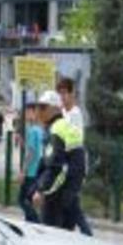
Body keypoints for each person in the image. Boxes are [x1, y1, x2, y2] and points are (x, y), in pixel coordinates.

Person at [32, 90, 86, 231]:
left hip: (56, 198)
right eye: (38, 107)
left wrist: (42, 190)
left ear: (55, 109)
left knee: (51, 243)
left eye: (43, 107)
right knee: (65, 243)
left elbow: (57, 167)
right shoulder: (66, 126)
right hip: (70, 194)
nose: (39, 111)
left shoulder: (56, 130)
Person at [57, 77, 93, 236]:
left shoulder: (75, 113)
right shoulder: (62, 112)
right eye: (60, 93)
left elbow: (73, 141)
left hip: (75, 164)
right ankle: (68, 234)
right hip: (64, 165)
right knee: (68, 204)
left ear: (73, 94)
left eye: (65, 93)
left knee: (70, 202)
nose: (62, 97)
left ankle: (88, 235)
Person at [18, 104, 45, 223]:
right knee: (29, 199)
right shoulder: (40, 130)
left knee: (22, 199)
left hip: (31, 171)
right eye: (26, 112)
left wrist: (23, 171)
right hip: (38, 170)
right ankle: (31, 222)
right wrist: (23, 143)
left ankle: (36, 222)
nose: (27, 115)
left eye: (29, 112)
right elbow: (34, 148)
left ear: (35, 113)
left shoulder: (32, 130)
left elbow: (31, 152)